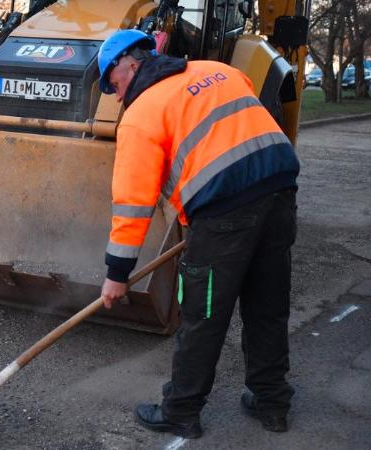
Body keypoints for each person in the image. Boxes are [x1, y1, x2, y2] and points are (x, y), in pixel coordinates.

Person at [97, 29, 300, 439]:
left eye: (112, 83)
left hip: (224, 210)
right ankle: (272, 403)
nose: (115, 95)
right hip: (280, 193)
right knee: (267, 304)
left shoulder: (140, 115)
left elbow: (133, 205)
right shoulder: (218, 70)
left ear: (130, 65)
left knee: (202, 314)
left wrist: (117, 275)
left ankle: (181, 412)